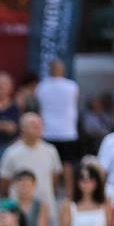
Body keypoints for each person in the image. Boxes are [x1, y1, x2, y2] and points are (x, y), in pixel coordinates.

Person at [36, 59, 81, 196]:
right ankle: (69, 193)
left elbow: (39, 105)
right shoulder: (72, 86)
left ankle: (53, 191)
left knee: (51, 165)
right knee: (67, 164)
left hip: (48, 131)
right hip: (67, 131)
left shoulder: (42, 86)